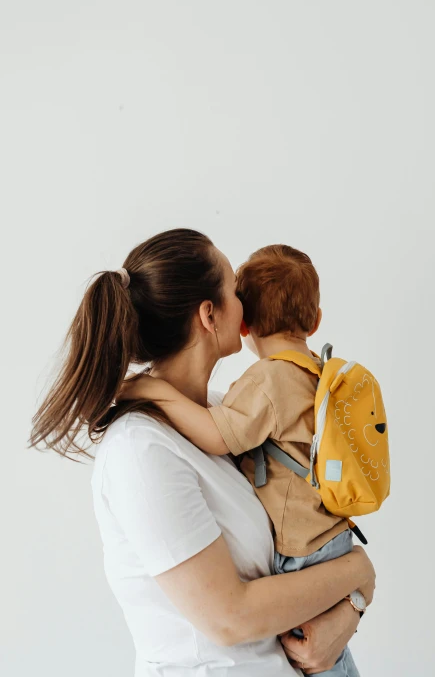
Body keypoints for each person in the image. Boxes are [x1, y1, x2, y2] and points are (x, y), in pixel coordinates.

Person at [30, 228, 376, 677]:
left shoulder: (221, 414)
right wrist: (359, 572)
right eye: (236, 289)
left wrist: (351, 605)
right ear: (209, 315)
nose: (247, 302)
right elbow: (231, 618)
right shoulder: (142, 449)